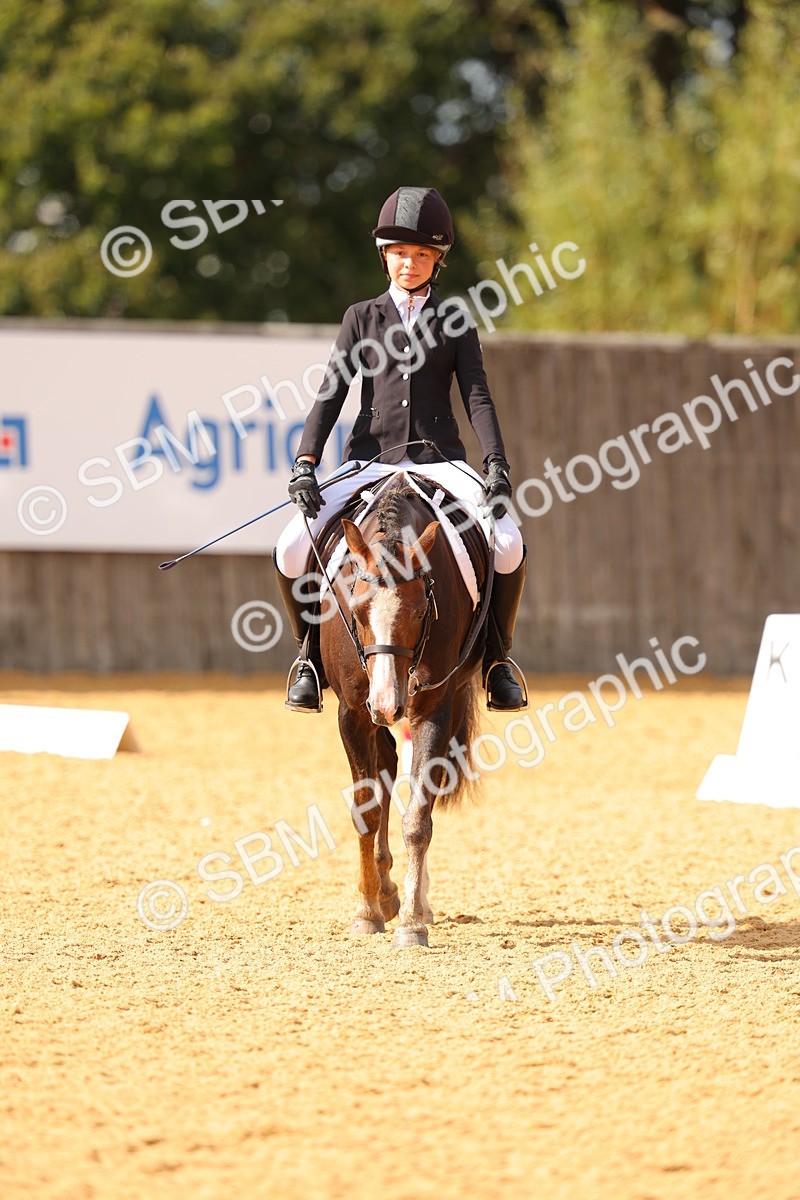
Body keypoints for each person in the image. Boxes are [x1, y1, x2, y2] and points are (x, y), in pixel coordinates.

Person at [273, 185, 527, 713]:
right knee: (291, 547)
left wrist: (495, 463)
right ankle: (309, 659)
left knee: (508, 543)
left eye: (420, 254)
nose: (407, 264)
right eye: (398, 253)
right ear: (383, 255)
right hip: (370, 461)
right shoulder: (361, 317)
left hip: (441, 461)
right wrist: (306, 463)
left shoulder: (454, 318)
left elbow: (476, 392)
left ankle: (499, 659)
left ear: (436, 261)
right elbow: (331, 390)